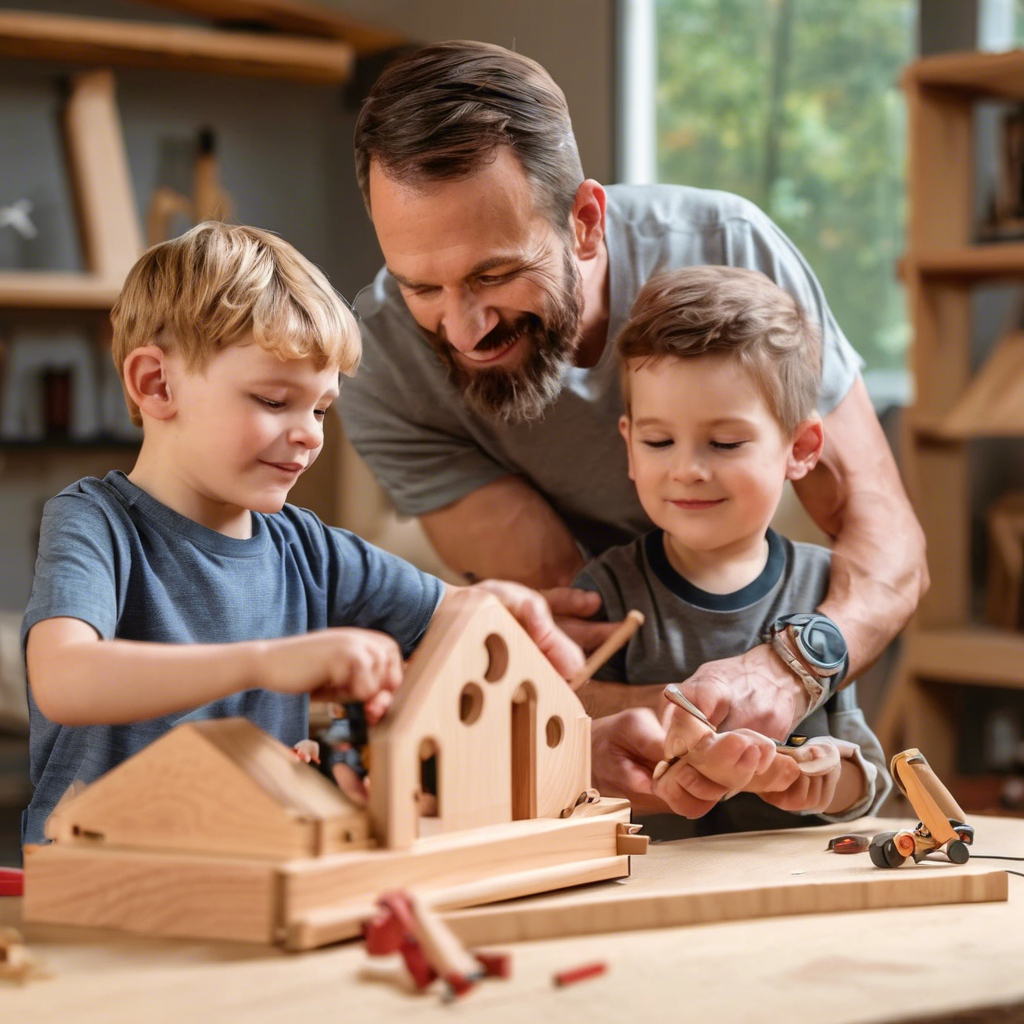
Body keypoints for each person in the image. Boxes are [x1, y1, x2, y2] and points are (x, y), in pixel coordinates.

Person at [342, 39, 925, 815]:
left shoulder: (730, 247)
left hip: (766, 625)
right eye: (422, 286)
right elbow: (576, 636)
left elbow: (889, 546)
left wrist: (785, 676)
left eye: (494, 275)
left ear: (584, 222)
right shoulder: (380, 360)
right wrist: (715, 736)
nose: (462, 328)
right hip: (633, 726)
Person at [20, 222, 583, 846]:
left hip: (255, 874)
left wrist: (503, 610)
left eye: (319, 409)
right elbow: (65, 680)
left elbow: (459, 614)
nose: (311, 435)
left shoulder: (309, 548)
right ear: (157, 384)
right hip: (99, 876)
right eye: (271, 400)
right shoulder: (95, 521)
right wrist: (268, 662)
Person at [574, 266, 890, 830]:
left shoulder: (823, 592)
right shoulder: (606, 592)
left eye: (724, 442)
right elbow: (568, 760)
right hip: (653, 885)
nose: (688, 469)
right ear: (629, 444)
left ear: (800, 447)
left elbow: (865, 781)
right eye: (658, 441)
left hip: (790, 887)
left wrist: (817, 780)